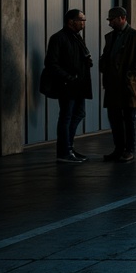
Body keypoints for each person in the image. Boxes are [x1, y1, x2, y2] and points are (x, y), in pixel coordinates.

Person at [99, 6, 136, 163]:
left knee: (129, 118)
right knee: (114, 118)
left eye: (112, 20)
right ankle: (118, 149)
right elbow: (106, 55)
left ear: (122, 18)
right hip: (113, 84)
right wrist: (104, 66)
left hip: (128, 85)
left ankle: (129, 150)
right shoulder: (110, 37)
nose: (110, 23)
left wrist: (130, 73)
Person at [45, 9, 93, 164]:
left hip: (78, 85)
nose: (84, 22)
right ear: (71, 21)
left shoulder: (76, 37)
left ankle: (69, 148)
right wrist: (68, 78)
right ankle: (64, 152)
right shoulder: (58, 38)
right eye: (81, 19)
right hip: (66, 85)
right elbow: (51, 63)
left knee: (79, 114)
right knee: (66, 117)